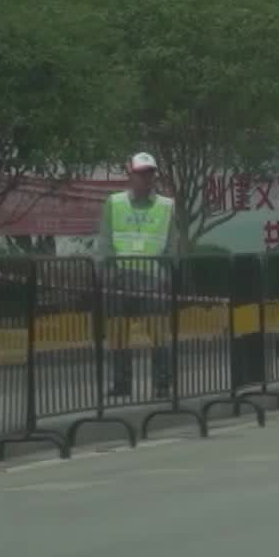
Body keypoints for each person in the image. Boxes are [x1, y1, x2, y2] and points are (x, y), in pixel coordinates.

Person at [96, 153, 177, 398]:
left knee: (159, 335)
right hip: (119, 278)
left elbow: (171, 245)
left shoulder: (166, 206)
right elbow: (106, 241)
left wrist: (167, 275)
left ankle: (162, 385)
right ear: (130, 174)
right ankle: (121, 384)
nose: (146, 178)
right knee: (118, 335)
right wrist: (107, 275)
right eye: (141, 173)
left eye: (150, 173)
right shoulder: (114, 202)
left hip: (153, 278)